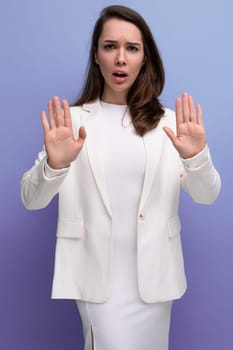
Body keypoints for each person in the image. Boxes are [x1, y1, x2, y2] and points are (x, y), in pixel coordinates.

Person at [20, 5, 221, 350]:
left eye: (132, 48)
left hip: (154, 279)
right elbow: (30, 199)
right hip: (98, 280)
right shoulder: (70, 121)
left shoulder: (170, 124)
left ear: (145, 58)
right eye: (110, 46)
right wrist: (55, 166)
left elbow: (207, 195)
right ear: (96, 56)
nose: (120, 58)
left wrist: (195, 157)